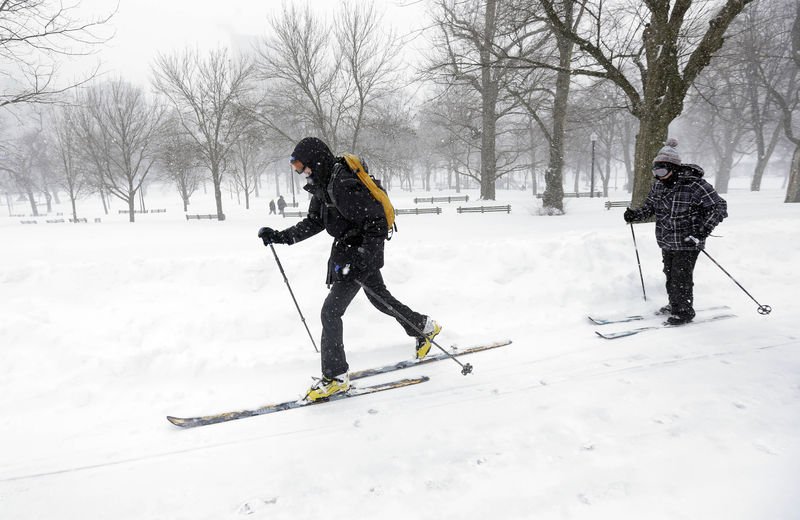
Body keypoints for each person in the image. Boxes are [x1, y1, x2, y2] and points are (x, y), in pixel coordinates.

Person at [257, 137, 441, 401]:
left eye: (302, 166)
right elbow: (314, 222)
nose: (300, 172)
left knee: (330, 312)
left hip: (360, 253)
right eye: (296, 168)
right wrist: (280, 236)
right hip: (349, 250)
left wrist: (360, 260)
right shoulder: (322, 184)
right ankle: (424, 327)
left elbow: (376, 222)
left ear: (315, 161)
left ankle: (335, 377)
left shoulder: (342, 183)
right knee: (381, 299)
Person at [624, 138, 728, 325]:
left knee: (681, 277)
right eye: (655, 171)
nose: (658, 175)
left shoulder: (695, 185)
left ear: (673, 168)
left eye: (662, 170)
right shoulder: (658, 186)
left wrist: (700, 232)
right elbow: (650, 208)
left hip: (688, 241)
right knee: (670, 274)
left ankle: (683, 312)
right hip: (666, 240)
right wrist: (635, 215)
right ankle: (675, 304)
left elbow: (719, 207)